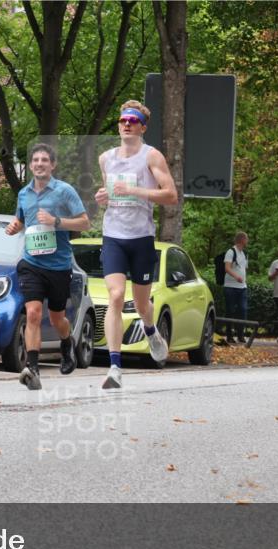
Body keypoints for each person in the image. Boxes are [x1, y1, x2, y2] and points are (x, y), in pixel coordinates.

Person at [94, 100, 179, 389]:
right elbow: (110, 193)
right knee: (116, 296)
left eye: (132, 120)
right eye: (122, 120)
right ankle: (115, 367)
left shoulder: (151, 156)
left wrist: (134, 190)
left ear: (142, 127)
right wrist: (103, 197)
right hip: (114, 235)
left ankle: (151, 330)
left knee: (142, 304)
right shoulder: (106, 158)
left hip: (141, 238)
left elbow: (170, 195)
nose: (126, 124)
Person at [5, 143, 90, 390]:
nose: (40, 164)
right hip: (31, 262)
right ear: (31, 165)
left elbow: (84, 223)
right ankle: (32, 368)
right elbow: (22, 220)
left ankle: (67, 342)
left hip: (59, 265)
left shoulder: (65, 191)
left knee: (57, 318)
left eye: (45, 160)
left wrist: (57, 221)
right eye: (36, 160)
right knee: (32, 313)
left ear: (52, 165)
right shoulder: (24, 194)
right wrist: (14, 227)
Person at [215, 231, 249, 345]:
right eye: (246, 239)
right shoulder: (231, 252)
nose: (247, 241)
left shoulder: (243, 253)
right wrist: (237, 277)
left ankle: (240, 334)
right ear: (242, 240)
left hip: (242, 287)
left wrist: (243, 279)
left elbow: (244, 268)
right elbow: (227, 268)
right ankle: (229, 335)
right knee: (230, 310)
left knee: (243, 310)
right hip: (231, 286)